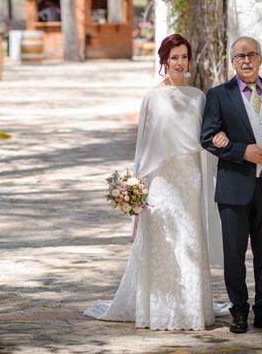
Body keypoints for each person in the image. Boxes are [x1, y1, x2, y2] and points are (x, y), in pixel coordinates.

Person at [85, 34, 229, 330]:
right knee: (163, 241)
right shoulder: (151, 98)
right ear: (164, 61)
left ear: (190, 60)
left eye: (184, 57)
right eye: (173, 57)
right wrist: (137, 189)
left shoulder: (198, 97)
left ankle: (192, 309)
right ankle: (159, 310)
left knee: (189, 239)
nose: (179, 62)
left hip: (191, 179)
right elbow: (143, 146)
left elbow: (205, 141)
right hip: (161, 182)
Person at [200, 35, 262, 334]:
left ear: (260, 58)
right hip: (234, 188)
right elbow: (207, 137)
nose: (246, 60)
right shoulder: (219, 94)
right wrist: (242, 151)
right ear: (232, 62)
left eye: (251, 54)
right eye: (240, 56)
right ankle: (239, 312)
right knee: (234, 254)